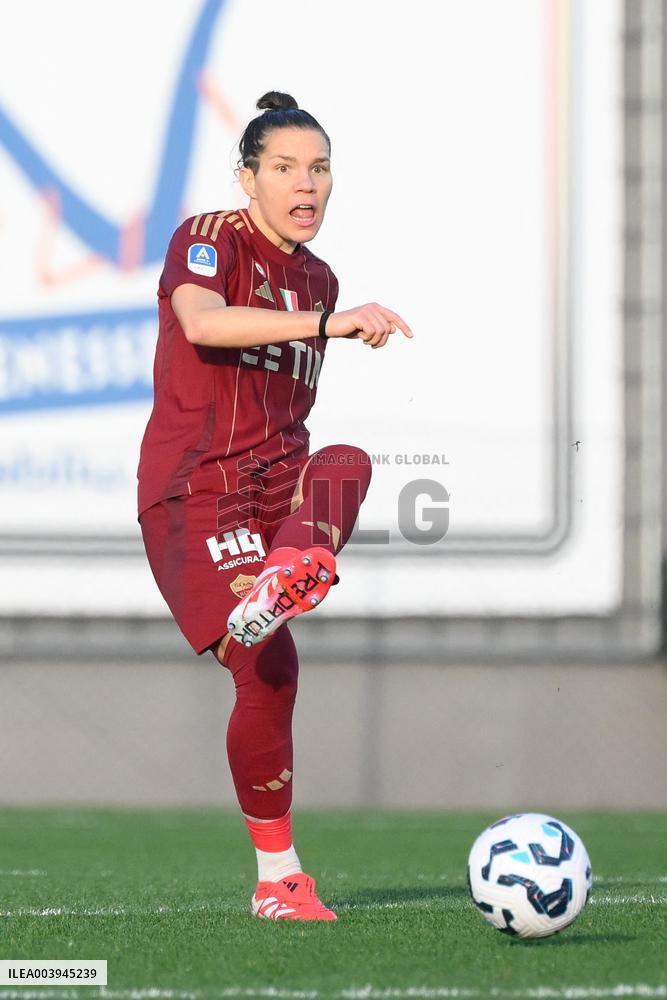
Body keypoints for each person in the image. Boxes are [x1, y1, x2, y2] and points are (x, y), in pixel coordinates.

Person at [137, 91, 412, 921]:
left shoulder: (316, 277)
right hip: (197, 489)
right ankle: (280, 881)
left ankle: (289, 567)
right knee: (264, 664)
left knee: (344, 462)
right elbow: (202, 325)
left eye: (319, 168)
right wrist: (328, 326)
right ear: (247, 178)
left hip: (275, 486)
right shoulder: (209, 238)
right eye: (285, 167)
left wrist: (324, 315)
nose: (306, 184)